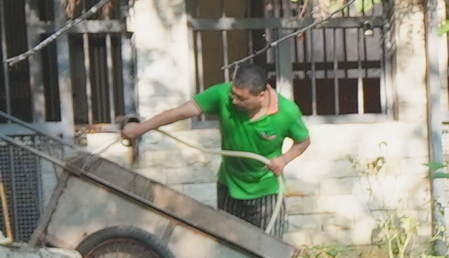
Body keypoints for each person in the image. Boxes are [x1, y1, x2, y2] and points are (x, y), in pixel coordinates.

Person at [128, 58, 313, 231]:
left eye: (242, 99)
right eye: (233, 94)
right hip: (229, 186)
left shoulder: (287, 112)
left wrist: (284, 159)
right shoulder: (221, 94)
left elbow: (303, 141)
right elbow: (180, 112)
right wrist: (140, 129)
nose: (234, 100)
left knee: (269, 252)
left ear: (261, 95)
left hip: (267, 191)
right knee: (229, 248)